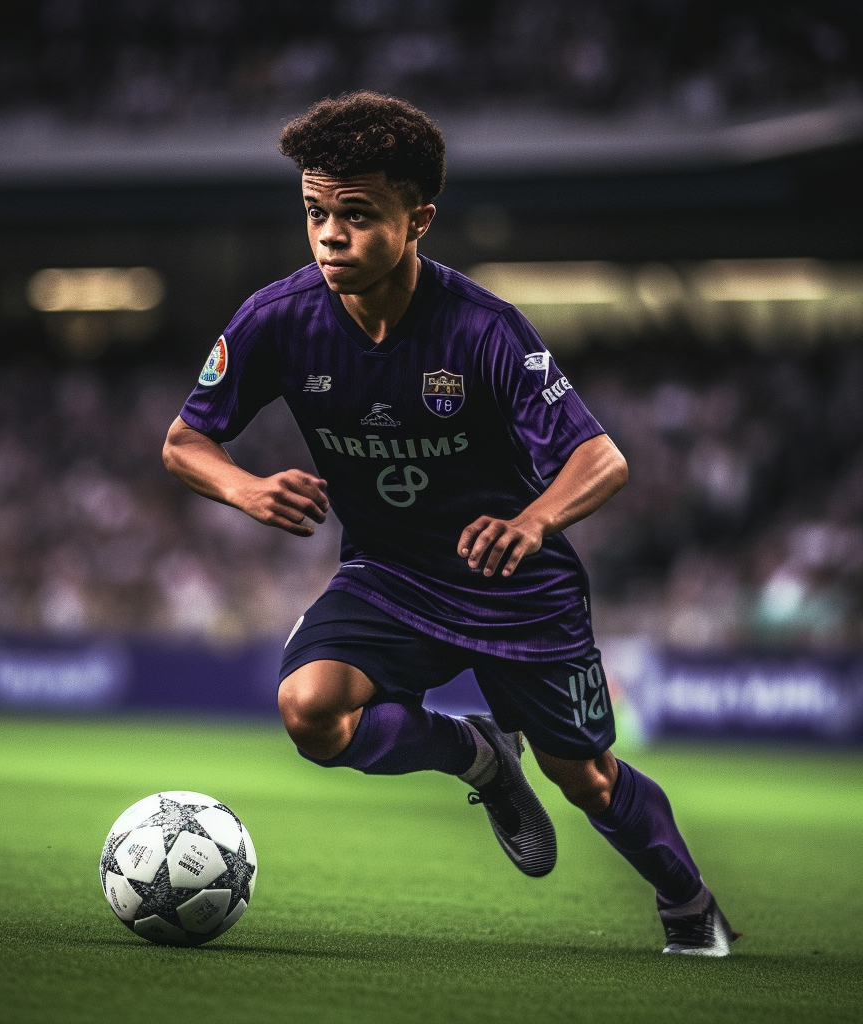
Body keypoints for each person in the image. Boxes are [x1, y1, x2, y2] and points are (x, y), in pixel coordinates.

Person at [163, 91, 738, 956]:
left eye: (357, 216)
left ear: (419, 219)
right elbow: (184, 442)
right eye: (316, 212)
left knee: (581, 777)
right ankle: (476, 756)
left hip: (516, 589)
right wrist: (244, 489)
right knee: (310, 712)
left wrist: (534, 521)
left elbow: (601, 459)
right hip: (391, 576)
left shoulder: (484, 330)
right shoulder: (279, 319)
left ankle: (687, 903)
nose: (329, 236)